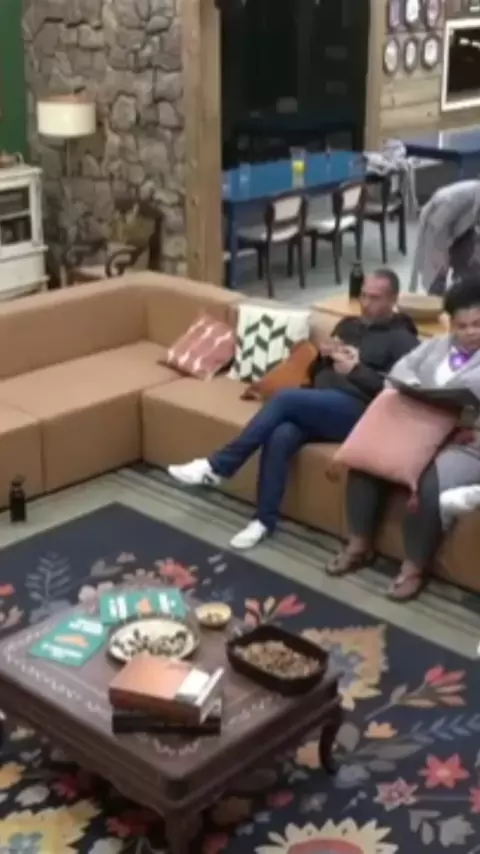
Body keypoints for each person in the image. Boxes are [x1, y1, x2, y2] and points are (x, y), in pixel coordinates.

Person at [168, 269, 418, 550]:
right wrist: (324, 356)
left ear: (393, 299)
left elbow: (398, 392)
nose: (366, 303)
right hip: (320, 402)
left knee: (285, 399)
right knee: (282, 435)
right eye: (364, 295)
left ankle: (218, 466)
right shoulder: (349, 325)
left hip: (358, 412)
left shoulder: (403, 340)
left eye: (375, 298)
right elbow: (316, 372)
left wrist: (356, 370)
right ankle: (263, 521)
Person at [326, 277, 480, 601]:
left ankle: (414, 567)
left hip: (466, 441)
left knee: (430, 485)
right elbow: (399, 371)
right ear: (451, 324)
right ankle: (359, 544)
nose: (470, 332)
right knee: (370, 460)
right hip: (421, 426)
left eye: (477, 325)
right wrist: (417, 387)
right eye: (462, 326)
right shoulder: (437, 346)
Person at [409, 180, 480, 295]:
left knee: (472, 264)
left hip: (464, 228)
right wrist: (442, 254)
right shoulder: (453, 199)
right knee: (438, 269)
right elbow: (438, 227)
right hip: (436, 226)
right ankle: (436, 296)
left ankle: (464, 291)